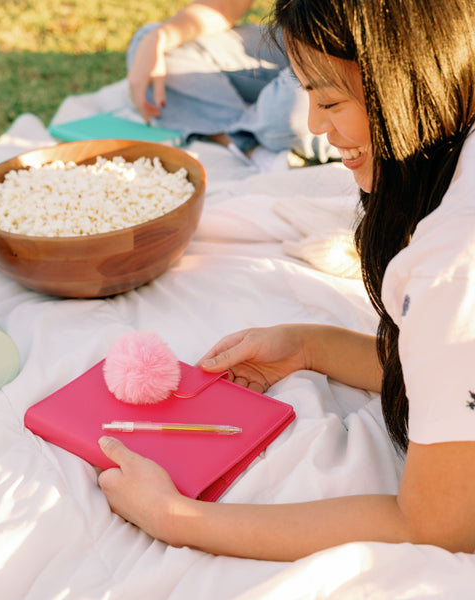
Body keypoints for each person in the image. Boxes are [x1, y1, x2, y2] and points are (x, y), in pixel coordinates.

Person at [98, 0, 475, 560]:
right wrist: (310, 345)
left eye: (328, 101)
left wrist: (175, 517)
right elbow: (450, 372)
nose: (318, 128)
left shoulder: (450, 265)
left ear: (409, 86)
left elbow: (436, 524)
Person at [125, 0, 339, 165]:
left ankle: (244, 130)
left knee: (294, 112)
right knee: (151, 45)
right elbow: (225, 4)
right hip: (295, 42)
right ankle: (247, 141)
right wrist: (161, 37)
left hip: (353, 57)